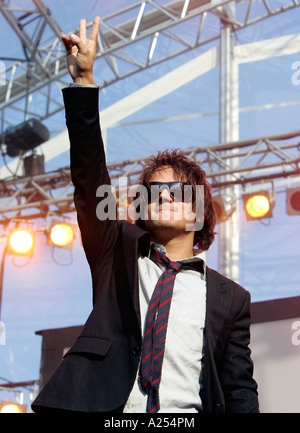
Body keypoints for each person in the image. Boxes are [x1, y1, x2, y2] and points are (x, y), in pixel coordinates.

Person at [32, 17, 259, 413]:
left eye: (179, 191)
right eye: (154, 191)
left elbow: (239, 388)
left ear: (200, 211)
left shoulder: (232, 299)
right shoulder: (116, 250)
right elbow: (90, 181)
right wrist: (84, 84)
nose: (165, 197)